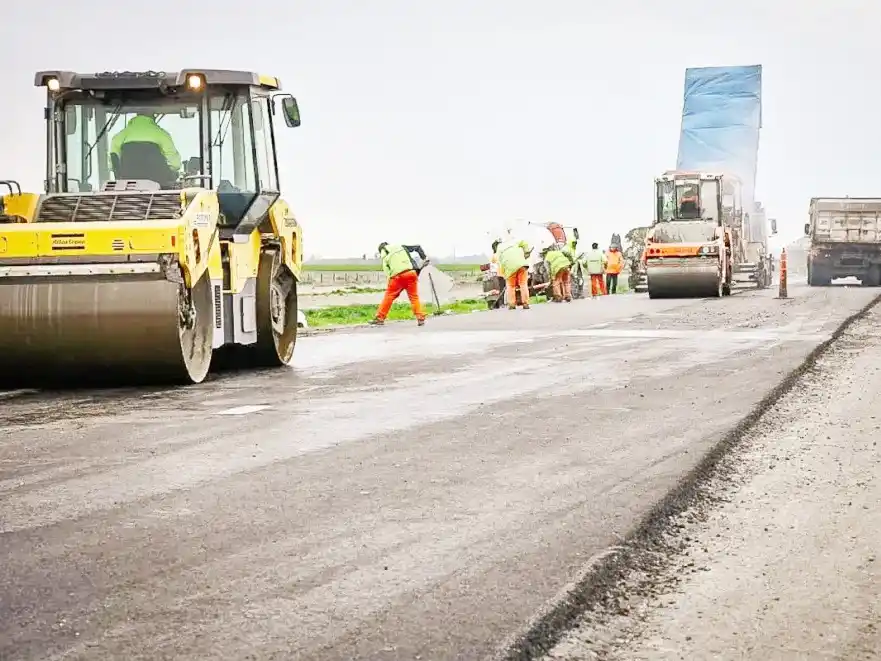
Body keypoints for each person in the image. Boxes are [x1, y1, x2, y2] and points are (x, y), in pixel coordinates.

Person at [370, 242, 428, 326]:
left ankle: (380, 318)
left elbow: (388, 273)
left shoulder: (385, 256)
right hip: (411, 273)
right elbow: (417, 247)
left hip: (397, 277)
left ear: (381, 250)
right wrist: (424, 258)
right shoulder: (401, 247)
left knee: (389, 297)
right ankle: (420, 318)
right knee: (414, 297)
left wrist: (391, 285)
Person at [110, 113, 182, 179]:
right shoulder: (162, 134)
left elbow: (113, 163)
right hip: (159, 184)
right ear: (153, 117)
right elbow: (175, 164)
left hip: (127, 186)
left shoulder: (120, 136)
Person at [496, 237, 532, 309]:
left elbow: (499, 261)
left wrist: (504, 274)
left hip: (509, 267)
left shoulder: (499, 247)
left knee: (510, 286)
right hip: (522, 264)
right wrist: (526, 252)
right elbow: (524, 243)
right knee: (523, 284)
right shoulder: (516, 241)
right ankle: (526, 303)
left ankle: (512, 304)